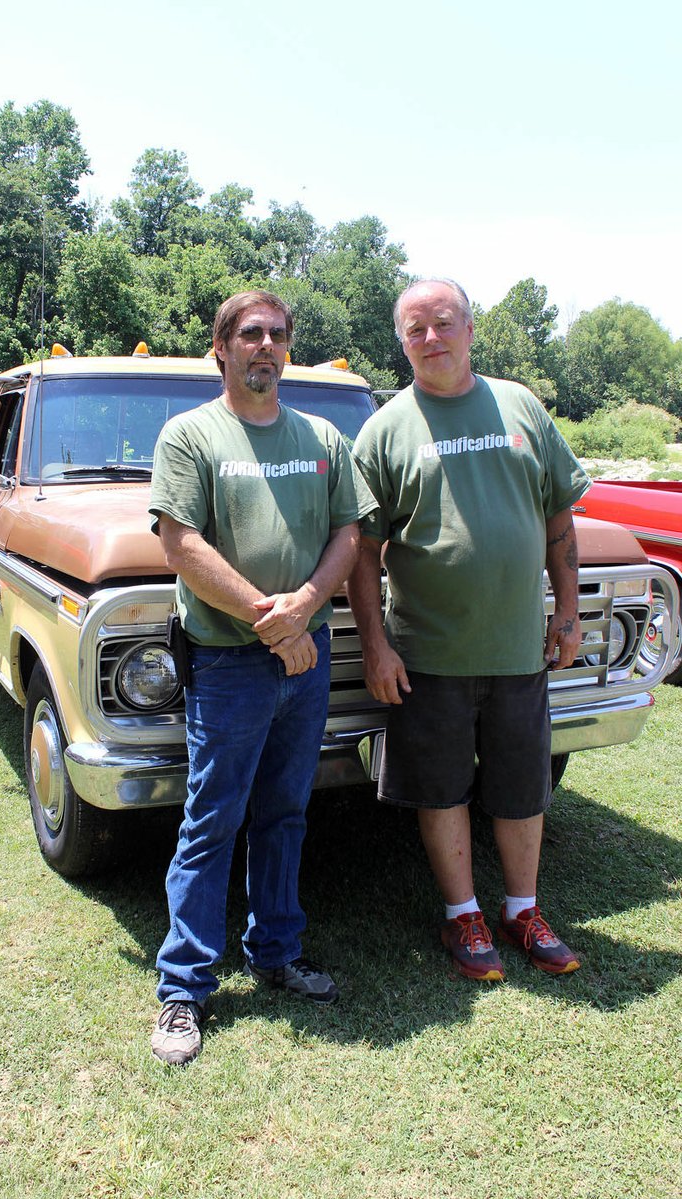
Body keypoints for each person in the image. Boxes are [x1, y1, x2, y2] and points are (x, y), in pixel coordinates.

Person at [148, 289, 377, 1064]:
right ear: (222, 347)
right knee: (211, 821)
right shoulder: (191, 435)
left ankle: (277, 952)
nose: (266, 346)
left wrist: (308, 603)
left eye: (278, 335)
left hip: (305, 663)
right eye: (251, 334)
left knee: (285, 812)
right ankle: (184, 988)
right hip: (230, 663)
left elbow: (349, 531)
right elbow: (181, 544)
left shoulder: (322, 437)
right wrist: (268, 621)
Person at [347, 278, 590, 983]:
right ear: (402, 343)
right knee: (442, 790)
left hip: (519, 648)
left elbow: (558, 521)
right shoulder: (386, 429)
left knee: (523, 788)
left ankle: (523, 909)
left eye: (443, 322)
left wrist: (569, 609)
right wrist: (375, 643)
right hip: (428, 656)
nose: (431, 338)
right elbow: (362, 550)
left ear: (470, 329)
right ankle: (463, 914)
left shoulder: (520, 406)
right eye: (415, 329)